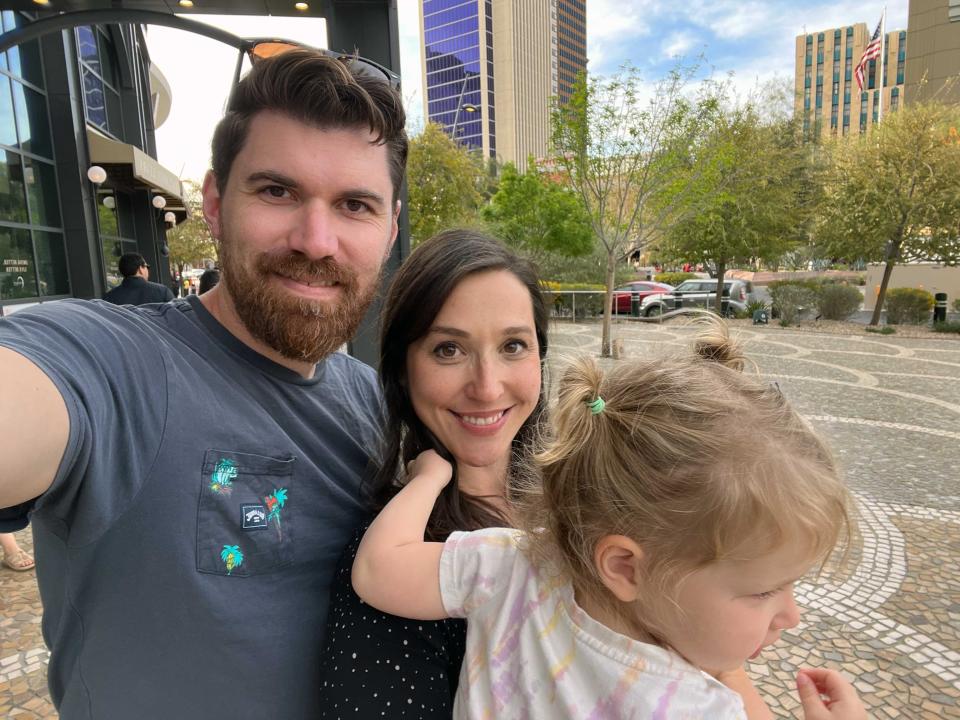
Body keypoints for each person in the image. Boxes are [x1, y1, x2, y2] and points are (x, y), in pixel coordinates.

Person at [0, 48, 406, 719]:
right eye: (277, 191)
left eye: (355, 205)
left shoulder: (375, 403)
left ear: (389, 230)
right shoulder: (115, 363)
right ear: (215, 204)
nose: (316, 239)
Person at [352, 316, 867, 719]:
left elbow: (378, 570)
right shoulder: (700, 708)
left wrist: (426, 479)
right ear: (624, 567)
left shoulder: (509, 566)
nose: (791, 615)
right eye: (763, 591)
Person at [317, 228, 550, 718]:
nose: (487, 388)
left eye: (513, 346)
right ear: (404, 370)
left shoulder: (596, 499)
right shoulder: (399, 563)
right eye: (449, 349)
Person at [102, 252, 176, 305]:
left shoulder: (108, 298)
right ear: (140, 269)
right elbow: (178, 317)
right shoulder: (162, 292)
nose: (148, 270)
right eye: (147, 267)